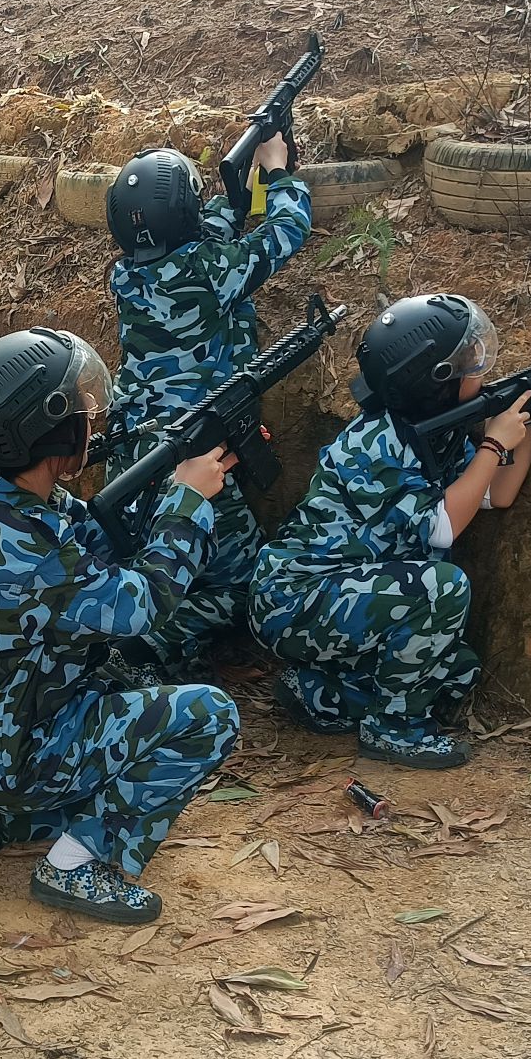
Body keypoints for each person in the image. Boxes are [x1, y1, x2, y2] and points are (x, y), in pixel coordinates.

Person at [0, 328, 241, 924]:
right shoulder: (24, 545)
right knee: (209, 716)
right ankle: (70, 863)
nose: (93, 417)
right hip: (8, 749)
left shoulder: (3, 498)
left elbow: (94, 540)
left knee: (124, 685)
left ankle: (6, 815)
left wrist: (166, 479)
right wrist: (191, 502)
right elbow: (145, 603)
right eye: (80, 407)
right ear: (47, 429)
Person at [248, 294, 531, 768]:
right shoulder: (375, 443)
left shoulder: (429, 429)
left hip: (345, 595)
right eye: (468, 363)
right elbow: (443, 527)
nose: (479, 369)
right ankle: (392, 731)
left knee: (457, 673)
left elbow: (493, 494)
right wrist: (493, 441)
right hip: (294, 598)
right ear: (434, 381)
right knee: (442, 587)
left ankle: (322, 693)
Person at [106, 136, 313, 673]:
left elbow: (203, 243)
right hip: (192, 453)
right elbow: (288, 231)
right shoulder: (210, 271)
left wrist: (234, 197)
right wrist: (277, 173)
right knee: (245, 584)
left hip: (135, 446)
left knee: (164, 554)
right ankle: (148, 648)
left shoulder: (128, 275)